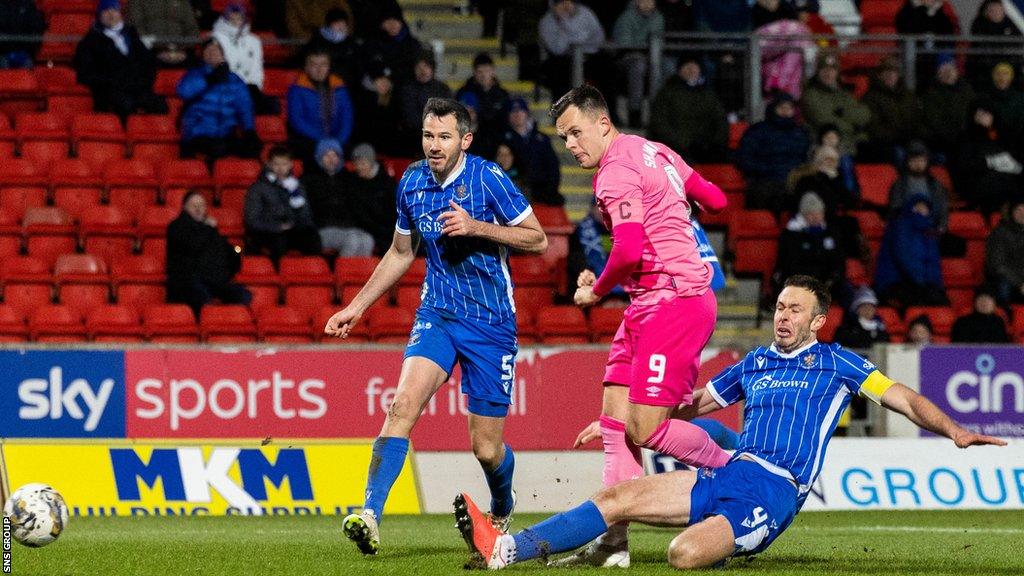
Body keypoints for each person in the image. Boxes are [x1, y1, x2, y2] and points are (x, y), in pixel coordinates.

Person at [454, 274, 1006, 570]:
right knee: (618, 496)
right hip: (729, 473)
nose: (782, 317)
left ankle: (725, 546)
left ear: (817, 321)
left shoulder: (840, 363)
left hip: (775, 489)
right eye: (780, 308)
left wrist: (953, 429)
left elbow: (903, 397)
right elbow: (692, 405)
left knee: (681, 556)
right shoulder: (756, 363)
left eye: (795, 310)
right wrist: (621, 422)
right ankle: (507, 551)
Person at [324, 98, 547, 556]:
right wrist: (357, 307)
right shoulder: (411, 182)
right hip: (438, 316)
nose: (434, 145)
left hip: (490, 324)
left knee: (486, 450)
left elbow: (538, 239)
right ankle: (369, 515)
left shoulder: (487, 178)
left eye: (444, 137)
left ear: (465, 140)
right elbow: (402, 253)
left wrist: (478, 226)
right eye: (428, 136)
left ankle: (502, 504)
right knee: (401, 405)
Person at [551, 85, 730, 567]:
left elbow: (628, 250)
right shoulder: (656, 150)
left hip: (676, 301)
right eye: (563, 137)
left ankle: (735, 474)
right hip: (647, 303)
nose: (570, 144)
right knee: (614, 424)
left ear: (602, 122)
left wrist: (595, 290)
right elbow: (717, 199)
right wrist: (676, 211)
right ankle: (614, 545)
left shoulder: (614, 173)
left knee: (646, 429)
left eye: (574, 132)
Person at [73, 0, 168, 121]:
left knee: (160, 105)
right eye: (106, 11)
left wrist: (142, 83)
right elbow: (86, 72)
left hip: (137, 88)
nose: (111, 14)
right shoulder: (90, 41)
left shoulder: (132, 34)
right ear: (99, 15)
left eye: (114, 10)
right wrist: (110, 83)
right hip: (110, 91)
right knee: (124, 105)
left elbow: (148, 62)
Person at [166, 191, 251, 317]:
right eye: (194, 206)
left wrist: (236, 252)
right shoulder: (177, 227)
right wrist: (208, 228)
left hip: (213, 279)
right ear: (184, 207)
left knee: (243, 295)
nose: (198, 209)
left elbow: (228, 251)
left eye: (201, 205)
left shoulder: (209, 229)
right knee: (203, 298)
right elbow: (193, 246)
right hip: (188, 280)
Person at [177, 38, 260, 163]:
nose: (212, 54)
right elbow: (184, 92)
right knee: (216, 149)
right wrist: (209, 80)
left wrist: (249, 130)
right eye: (208, 51)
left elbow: (244, 107)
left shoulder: (234, 79)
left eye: (216, 51)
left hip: (227, 133)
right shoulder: (194, 74)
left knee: (252, 148)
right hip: (199, 132)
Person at [243, 146, 323, 265]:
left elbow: (306, 213)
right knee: (279, 240)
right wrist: (278, 227)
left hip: (292, 229)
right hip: (268, 231)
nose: (280, 168)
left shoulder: (296, 185)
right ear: (269, 164)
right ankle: (279, 275)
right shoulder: (258, 188)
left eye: (284, 164)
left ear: (290, 164)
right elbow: (252, 220)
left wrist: (298, 224)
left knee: (312, 237)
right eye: (276, 164)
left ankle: (310, 273)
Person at [736, 93, 811, 211]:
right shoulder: (757, 131)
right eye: (782, 107)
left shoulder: (801, 133)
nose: (786, 112)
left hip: (794, 180)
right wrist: (767, 170)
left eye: (789, 108)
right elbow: (745, 158)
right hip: (765, 180)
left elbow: (806, 159)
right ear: (773, 109)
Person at [648, 57, 728, 164]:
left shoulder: (709, 95)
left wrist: (712, 143)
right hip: (676, 150)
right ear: (679, 70)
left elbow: (720, 121)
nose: (691, 69)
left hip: (705, 149)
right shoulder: (666, 93)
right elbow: (659, 124)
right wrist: (682, 144)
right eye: (686, 66)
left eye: (694, 66)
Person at [874, 194, 948, 309]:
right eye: (919, 206)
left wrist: (935, 285)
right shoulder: (901, 225)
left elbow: (933, 262)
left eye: (925, 207)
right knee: (919, 303)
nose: (922, 209)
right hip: (897, 281)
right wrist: (921, 282)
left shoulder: (929, 231)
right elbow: (904, 256)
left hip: (918, 283)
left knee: (941, 302)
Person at [302, 139, 374, 256]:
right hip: (321, 228)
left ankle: (361, 274)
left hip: (347, 227)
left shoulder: (348, 179)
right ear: (319, 157)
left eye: (335, 155)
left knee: (368, 240)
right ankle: (345, 273)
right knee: (352, 241)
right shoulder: (309, 180)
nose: (331, 159)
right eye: (327, 155)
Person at [771, 192, 846, 302]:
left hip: (826, 281)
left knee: (846, 291)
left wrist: (832, 278)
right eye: (811, 214)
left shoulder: (831, 233)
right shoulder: (791, 234)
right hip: (800, 281)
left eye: (819, 213)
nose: (816, 217)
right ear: (804, 215)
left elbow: (838, 260)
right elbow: (788, 262)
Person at [287, 50, 355, 165]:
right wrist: (324, 140)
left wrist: (339, 140)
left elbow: (347, 117)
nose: (319, 69)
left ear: (329, 66)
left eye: (323, 64)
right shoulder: (297, 88)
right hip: (309, 140)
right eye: (314, 65)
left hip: (338, 138)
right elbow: (297, 121)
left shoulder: (339, 87)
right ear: (306, 67)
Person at [953, 102, 1023, 216]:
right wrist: (990, 162)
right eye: (979, 114)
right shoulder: (966, 137)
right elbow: (964, 165)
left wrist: (1017, 168)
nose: (983, 117)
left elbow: (1015, 156)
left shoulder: (1003, 134)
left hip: (1007, 179)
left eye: (986, 114)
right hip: (979, 182)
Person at [212, 2, 279, 116]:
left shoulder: (254, 41)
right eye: (231, 18)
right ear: (225, 19)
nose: (235, 22)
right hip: (227, 88)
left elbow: (257, 68)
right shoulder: (216, 38)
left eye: (238, 18)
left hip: (249, 87)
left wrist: (255, 86)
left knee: (272, 106)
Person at [801, 52, 870, 157]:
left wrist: (843, 113)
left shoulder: (844, 93)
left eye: (832, 70)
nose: (828, 74)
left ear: (837, 73)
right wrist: (851, 125)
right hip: (826, 143)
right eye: (824, 70)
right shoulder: (811, 94)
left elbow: (864, 115)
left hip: (853, 142)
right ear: (818, 72)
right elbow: (823, 120)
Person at [538, 0, 606, 101]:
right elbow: (557, 49)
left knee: (606, 68)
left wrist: (573, 35)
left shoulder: (586, 13)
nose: (565, 5)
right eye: (561, 3)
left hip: (589, 56)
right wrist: (564, 20)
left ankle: (609, 113)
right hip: (562, 60)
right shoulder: (546, 22)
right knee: (558, 72)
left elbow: (599, 38)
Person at [611, 0, 665, 127]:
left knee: (668, 66)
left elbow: (658, 41)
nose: (647, 4)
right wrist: (645, 51)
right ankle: (635, 111)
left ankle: (660, 109)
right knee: (638, 67)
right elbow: (624, 44)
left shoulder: (658, 17)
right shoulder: (626, 17)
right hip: (627, 58)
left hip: (651, 58)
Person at [861, 56, 923, 163]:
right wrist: (897, 136)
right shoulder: (870, 97)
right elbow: (874, 127)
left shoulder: (908, 95)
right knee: (900, 154)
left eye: (894, 72)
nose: (890, 75)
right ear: (880, 75)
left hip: (909, 140)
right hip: (884, 144)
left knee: (924, 153)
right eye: (886, 72)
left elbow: (917, 119)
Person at [502, 98, 564, 206]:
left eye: (520, 110)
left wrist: (550, 189)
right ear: (508, 115)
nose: (517, 114)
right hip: (515, 191)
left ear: (526, 113)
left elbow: (553, 166)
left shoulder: (542, 138)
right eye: (513, 111)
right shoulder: (502, 139)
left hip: (543, 193)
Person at [344, 142, 398, 255]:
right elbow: (358, 214)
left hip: (389, 229)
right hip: (367, 230)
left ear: (371, 162)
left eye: (363, 163)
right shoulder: (352, 183)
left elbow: (396, 210)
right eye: (357, 164)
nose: (359, 167)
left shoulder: (387, 182)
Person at [921, 54, 975, 161]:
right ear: (938, 73)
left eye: (950, 68)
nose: (948, 73)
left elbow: (972, 114)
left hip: (964, 141)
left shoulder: (967, 90)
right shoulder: (931, 94)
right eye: (944, 69)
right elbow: (934, 122)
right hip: (941, 143)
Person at [887, 140, 949, 233]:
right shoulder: (900, 184)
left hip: (930, 226)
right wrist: (912, 209)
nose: (918, 164)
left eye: (921, 160)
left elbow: (942, 207)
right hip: (906, 228)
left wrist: (941, 225)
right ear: (907, 162)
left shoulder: (934, 184)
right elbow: (895, 208)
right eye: (914, 160)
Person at [398, 51, 452, 155]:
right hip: (412, 142)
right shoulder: (407, 90)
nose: (422, 71)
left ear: (432, 68)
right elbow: (409, 117)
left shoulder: (442, 89)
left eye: (426, 67)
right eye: (419, 67)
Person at [455, 53, 511, 151]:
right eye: (480, 72)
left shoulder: (502, 95)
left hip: (496, 145)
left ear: (493, 71)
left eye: (487, 71)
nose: (484, 75)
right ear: (474, 73)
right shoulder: (463, 93)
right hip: (471, 144)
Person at [302, 9, 364, 90]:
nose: (341, 26)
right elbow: (304, 59)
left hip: (348, 87)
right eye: (337, 23)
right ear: (329, 25)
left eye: (343, 23)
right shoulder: (317, 41)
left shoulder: (352, 43)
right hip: (323, 86)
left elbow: (359, 65)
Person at [967, 0, 1022, 88]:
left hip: (1009, 66)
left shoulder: (1012, 25)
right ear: (986, 12)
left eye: (998, 9)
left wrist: (1006, 66)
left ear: (1004, 10)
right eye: (992, 10)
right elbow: (980, 49)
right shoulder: (979, 25)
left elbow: (1017, 46)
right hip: (986, 67)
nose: (995, 12)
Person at [127, 0, 199, 66]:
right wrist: (155, 49)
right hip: (150, 50)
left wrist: (180, 50)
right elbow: (136, 25)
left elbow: (192, 27)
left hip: (181, 50)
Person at [984, 196, 1024, 306]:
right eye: (1018, 210)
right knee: (1003, 286)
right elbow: (997, 265)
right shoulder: (999, 233)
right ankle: (1005, 315)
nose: (1022, 214)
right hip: (1007, 278)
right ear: (1012, 212)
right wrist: (1019, 283)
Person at [0, 0, 44, 69]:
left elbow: (36, 29)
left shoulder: (28, 5)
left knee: (27, 67)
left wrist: (29, 52)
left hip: (24, 54)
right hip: (2, 54)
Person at [286, 0, 354, 40]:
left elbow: (348, 23)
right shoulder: (294, 2)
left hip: (336, 42)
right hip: (308, 45)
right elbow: (295, 28)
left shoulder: (337, 2)